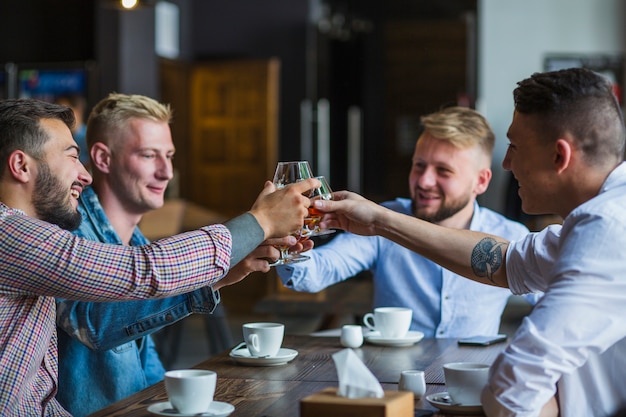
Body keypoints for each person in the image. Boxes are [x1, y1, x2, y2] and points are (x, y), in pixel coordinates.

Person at [314, 67, 626, 417]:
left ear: (559, 156)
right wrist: (381, 220)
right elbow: (504, 262)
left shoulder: (608, 228)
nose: (507, 163)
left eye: (515, 146)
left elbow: (518, 379)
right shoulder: (601, 219)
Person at [0, 98, 317, 416]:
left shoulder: (48, 233)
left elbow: (42, 397)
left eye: (169, 156)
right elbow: (139, 277)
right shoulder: (15, 234)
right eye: (149, 155)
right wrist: (259, 222)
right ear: (21, 166)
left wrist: (220, 271)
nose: (86, 175)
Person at [277, 106, 534, 338]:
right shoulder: (378, 220)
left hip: (470, 380)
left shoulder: (509, 236)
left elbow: (560, 300)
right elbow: (316, 272)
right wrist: (285, 239)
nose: (423, 181)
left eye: (443, 171)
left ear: (481, 181)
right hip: (391, 382)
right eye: (419, 166)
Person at [55, 93, 89, 165]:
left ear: (78, 110)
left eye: (64, 112)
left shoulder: (89, 137)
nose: (60, 117)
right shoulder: (57, 139)